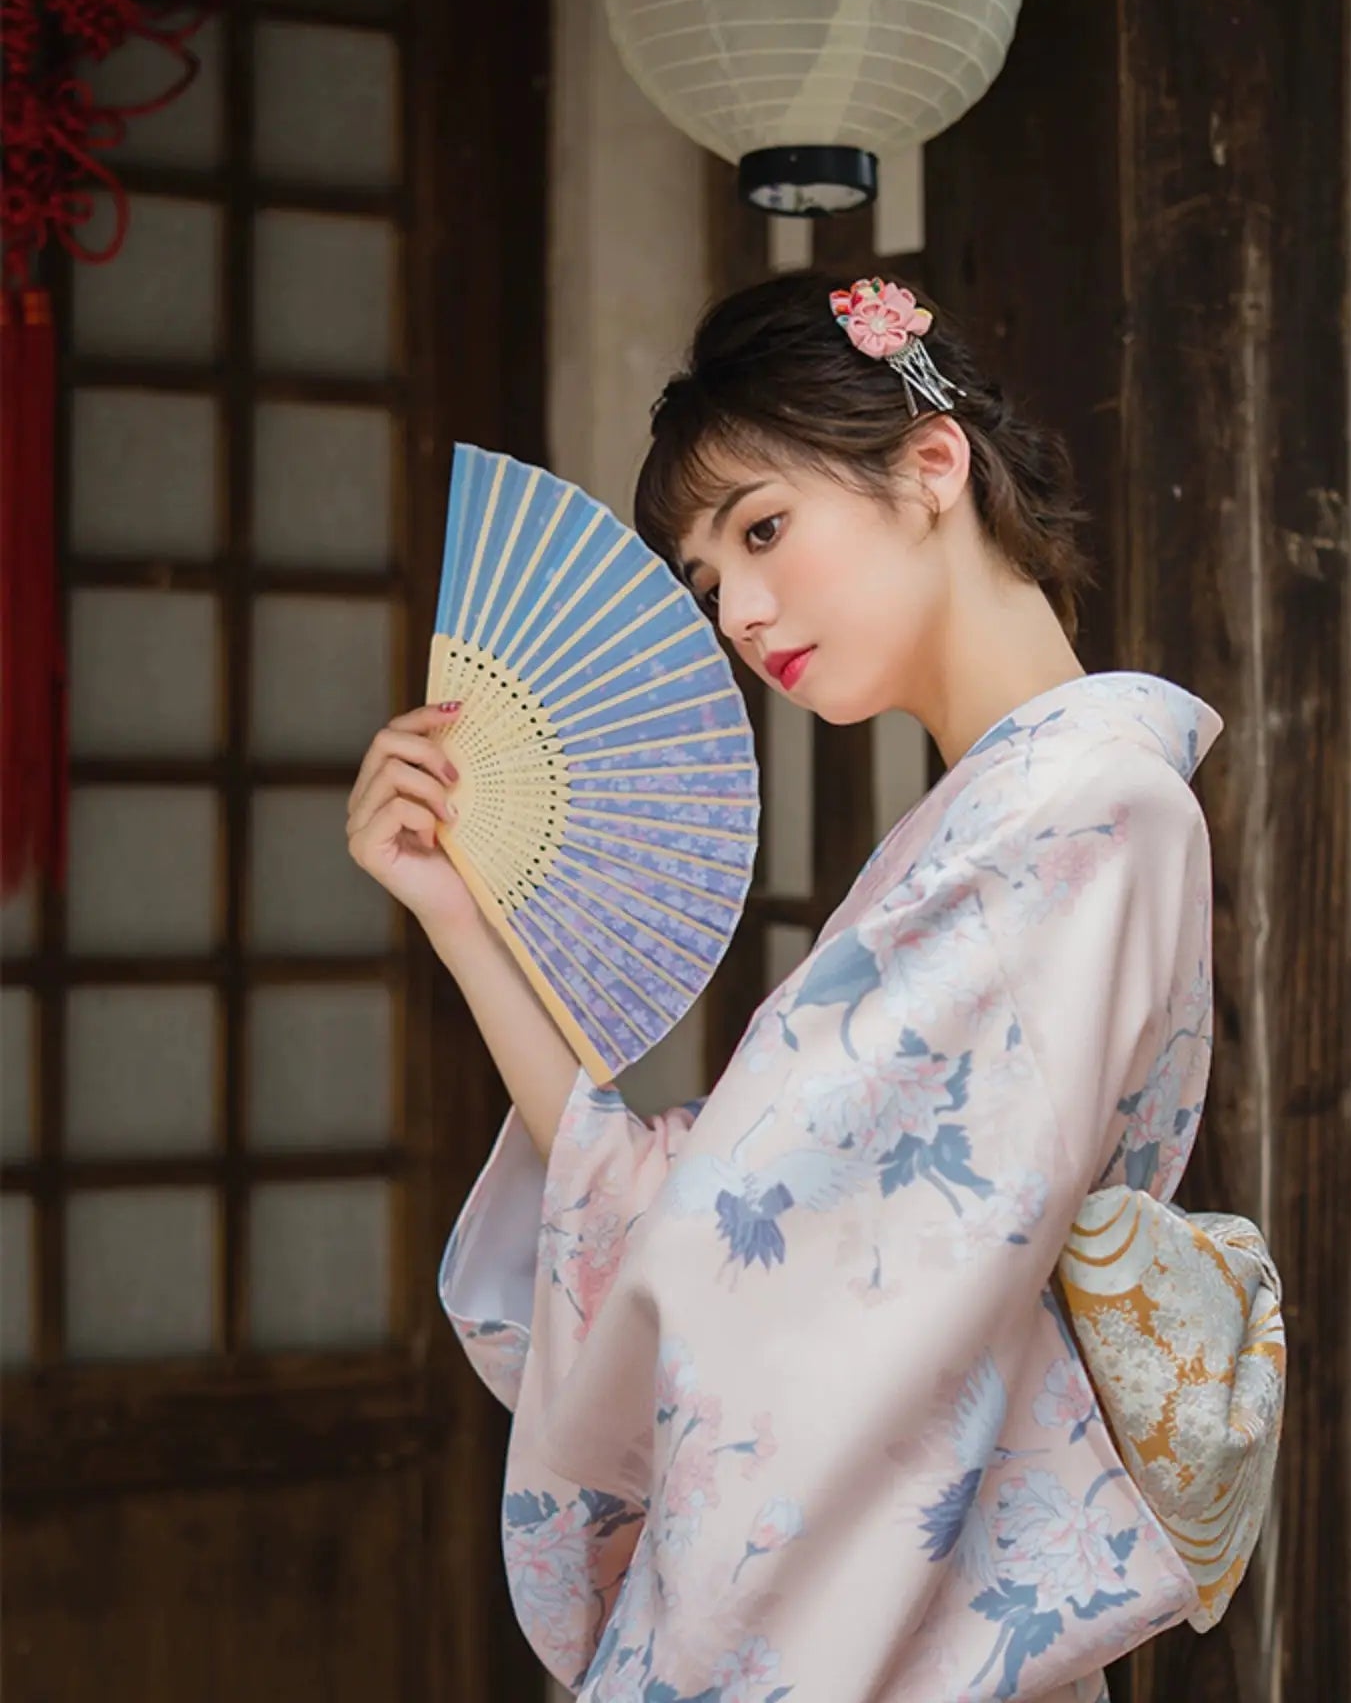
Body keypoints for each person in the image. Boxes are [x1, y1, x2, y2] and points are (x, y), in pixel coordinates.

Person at [348, 273, 1227, 1702]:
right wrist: (463, 915)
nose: (741, 614)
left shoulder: (1084, 810)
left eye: (762, 529)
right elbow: (752, 1224)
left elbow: (747, 1257)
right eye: (706, 581)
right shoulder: (1015, 812)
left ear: (931, 465)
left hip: (901, 1612)